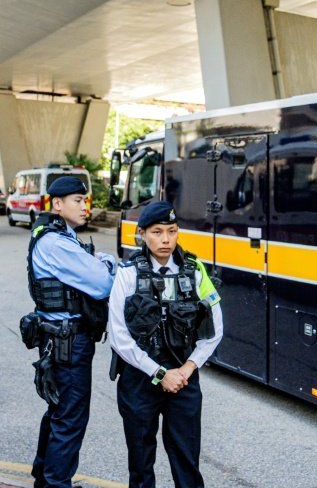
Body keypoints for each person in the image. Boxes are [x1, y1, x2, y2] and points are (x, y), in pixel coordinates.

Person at [108, 201, 223, 488]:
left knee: (187, 462)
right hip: (140, 378)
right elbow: (118, 336)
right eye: (157, 232)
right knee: (141, 463)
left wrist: (187, 369)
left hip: (183, 378)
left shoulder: (195, 270)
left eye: (172, 231)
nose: (166, 240)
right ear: (142, 234)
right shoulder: (127, 273)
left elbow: (214, 330)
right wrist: (160, 374)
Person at [25, 176, 115, 488]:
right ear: (57, 204)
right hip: (68, 341)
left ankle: (44, 479)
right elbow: (103, 283)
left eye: (85, 200)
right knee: (70, 418)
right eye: (77, 200)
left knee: (59, 411)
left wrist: (97, 263)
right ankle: (55, 483)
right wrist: (106, 265)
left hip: (59, 338)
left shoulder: (58, 235)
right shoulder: (56, 242)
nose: (84, 206)